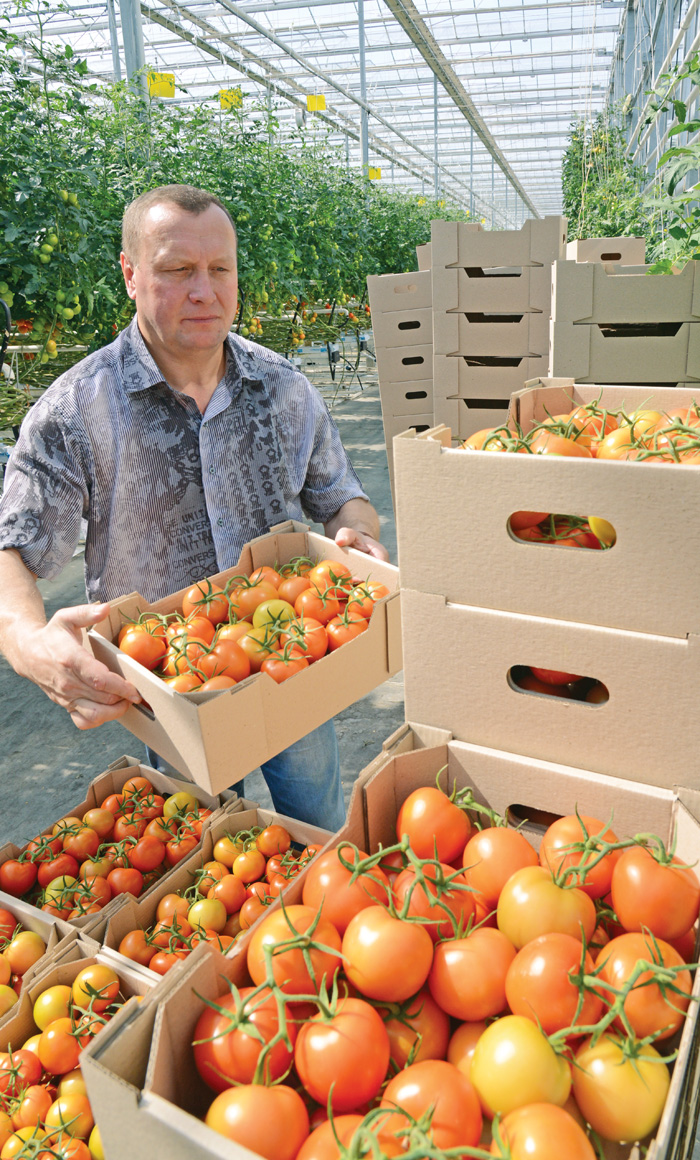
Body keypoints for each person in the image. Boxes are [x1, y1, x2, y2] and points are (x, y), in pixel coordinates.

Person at [0, 184, 389, 829]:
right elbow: (13, 542)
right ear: (130, 275)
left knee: (317, 829)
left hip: (291, 665)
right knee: (200, 867)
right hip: (166, 694)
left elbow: (341, 495)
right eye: (177, 270)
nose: (204, 290)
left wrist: (357, 535)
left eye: (219, 269)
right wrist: (23, 639)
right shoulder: (78, 408)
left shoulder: (284, 389)